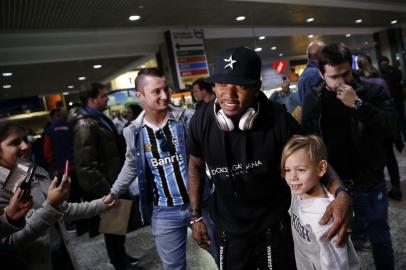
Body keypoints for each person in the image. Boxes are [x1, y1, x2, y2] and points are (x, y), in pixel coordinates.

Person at [187, 47, 352, 270]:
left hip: (272, 226)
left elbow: (313, 158)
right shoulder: (201, 121)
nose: (229, 94)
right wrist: (196, 217)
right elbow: (195, 166)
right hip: (228, 228)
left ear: (257, 87)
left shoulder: (278, 120)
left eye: (241, 85)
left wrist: (341, 193)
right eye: (222, 84)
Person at [104, 68, 216, 270]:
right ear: (140, 96)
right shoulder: (133, 132)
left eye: (166, 89)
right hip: (164, 211)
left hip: (202, 204)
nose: (164, 96)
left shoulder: (187, 118)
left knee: (223, 255)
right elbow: (131, 165)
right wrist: (114, 192)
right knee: (173, 267)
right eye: (156, 91)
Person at [302, 43, 399, 270]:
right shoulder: (314, 100)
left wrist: (357, 104)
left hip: (369, 180)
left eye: (346, 73)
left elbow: (393, 127)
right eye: (334, 77)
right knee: (338, 243)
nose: (342, 81)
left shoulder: (370, 92)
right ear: (321, 74)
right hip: (334, 185)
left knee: (380, 237)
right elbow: (309, 141)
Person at [0, 120, 114, 270]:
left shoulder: (35, 171)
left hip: (59, 254)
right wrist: (51, 206)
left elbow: (63, 210)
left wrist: (102, 204)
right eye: (15, 142)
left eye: (25, 139)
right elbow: (9, 242)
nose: (25, 146)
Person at [68, 83, 138, 270]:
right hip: (106, 185)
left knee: (117, 226)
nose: (107, 98)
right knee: (112, 227)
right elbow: (86, 165)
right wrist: (107, 190)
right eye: (102, 96)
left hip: (114, 180)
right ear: (91, 99)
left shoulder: (97, 118)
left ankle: (121, 256)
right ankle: (119, 262)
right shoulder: (85, 123)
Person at [281, 135, 360, 270]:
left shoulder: (326, 219)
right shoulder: (298, 192)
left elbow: (336, 265)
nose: (292, 177)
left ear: (321, 168)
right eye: (287, 170)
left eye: (301, 170)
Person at [358, 55, 404, 201]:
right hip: (385, 124)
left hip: (372, 128)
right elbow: (389, 100)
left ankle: (380, 190)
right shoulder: (381, 80)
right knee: (390, 157)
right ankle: (396, 187)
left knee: (376, 159)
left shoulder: (361, 84)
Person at [379, 56, 406, 141]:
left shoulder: (394, 70)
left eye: (385, 61)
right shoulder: (381, 73)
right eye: (382, 61)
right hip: (389, 100)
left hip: (398, 98)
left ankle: (405, 135)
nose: (384, 63)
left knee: (402, 118)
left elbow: (398, 78)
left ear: (387, 61)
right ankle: (397, 137)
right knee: (393, 120)